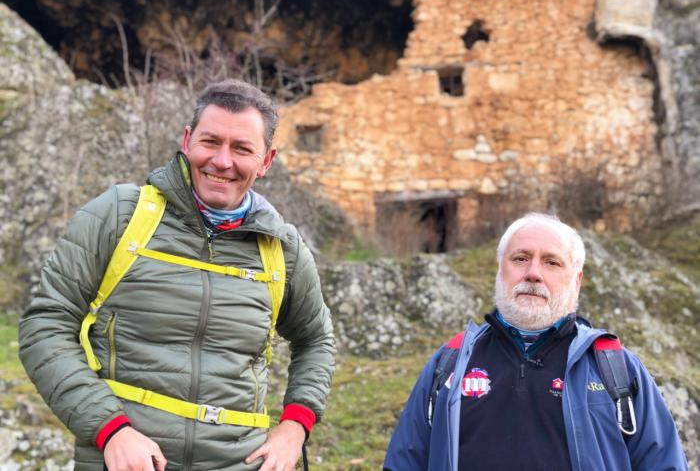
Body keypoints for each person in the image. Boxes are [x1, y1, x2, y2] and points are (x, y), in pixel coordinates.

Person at [19, 79, 336, 471]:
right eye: (210, 141)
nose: (222, 161)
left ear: (266, 161)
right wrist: (110, 429)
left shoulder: (282, 248)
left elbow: (316, 338)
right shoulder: (119, 215)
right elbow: (46, 326)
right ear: (187, 140)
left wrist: (296, 425)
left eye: (242, 148)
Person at [384, 213, 688, 471]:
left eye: (552, 263)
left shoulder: (616, 369)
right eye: (520, 258)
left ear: (576, 280)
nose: (533, 273)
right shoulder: (448, 364)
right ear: (499, 269)